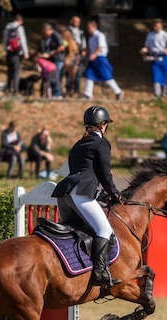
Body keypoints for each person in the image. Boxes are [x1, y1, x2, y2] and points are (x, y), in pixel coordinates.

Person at [51, 106, 123, 288]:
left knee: (74, 230)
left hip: (65, 193)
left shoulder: (78, 144)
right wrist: (115, 193)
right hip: (81, 193)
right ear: (103, 124)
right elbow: (105, 174)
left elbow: (86, 170)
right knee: (104, 231)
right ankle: (98, 274)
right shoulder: (102, 144)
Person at [83, 20, 124, 101]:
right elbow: (90, 49)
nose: (88, 30)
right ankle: (88, 94)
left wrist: (94, 55)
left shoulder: (99, 35)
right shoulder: (91, 38)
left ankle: (118, 91)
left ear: (94, 27)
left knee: (106, 76)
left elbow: (100, 47)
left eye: (89, 28)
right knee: (89, 74)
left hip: (100, 58)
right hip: (93, 59)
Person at [140, 19, 167, 98]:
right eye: (155, 26)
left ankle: (164, 93)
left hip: (164, 57)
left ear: (161, 26)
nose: (157, 27)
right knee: (156, 75)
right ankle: (157, 94)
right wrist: (144, 50)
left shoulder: (166, 35)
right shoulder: (150, 35)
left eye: (158, 26)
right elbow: (147, 46)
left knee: (164, 75)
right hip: (155, 56)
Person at [3, 14, 29, 96]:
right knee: (17, 72)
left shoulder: (7, 26)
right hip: (17, 53)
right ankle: (16, 90)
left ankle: (8, 88)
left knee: (9, 71)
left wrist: (5, 50)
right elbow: (22, 40)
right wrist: (26, 52)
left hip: (9, 52)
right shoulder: (20, 28)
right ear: (20, 21)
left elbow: (4, 39)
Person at [40, 23, 65, 99]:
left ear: (48, 29)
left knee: (56, 76)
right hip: (52, 60)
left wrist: (51, 53)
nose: (44, 33)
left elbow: (61, 47)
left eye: (44, 31)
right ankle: (55, 93)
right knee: (54, 76)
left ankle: (57, 94)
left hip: (58, 59)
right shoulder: (48, 37)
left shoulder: (55, 35)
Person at [68, 16, 86, 95]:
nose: (77, 23)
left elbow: (83, 42)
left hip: (79, 53)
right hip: (71, 54)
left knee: (78, 73)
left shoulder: (81, 32)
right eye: (75, 21)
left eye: (78, 21)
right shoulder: (68, 31)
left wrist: (83, 50)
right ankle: (69, 89)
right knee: (70, 73)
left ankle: (77, 90)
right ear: (72, 21)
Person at [61, 27, 80, 97]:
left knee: (71, 77)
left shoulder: (71, 41)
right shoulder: (68, 41)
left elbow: (75, 52)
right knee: (69, 77)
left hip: (72, 59)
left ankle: (70, 91)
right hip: (71, 59)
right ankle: (68, 91)